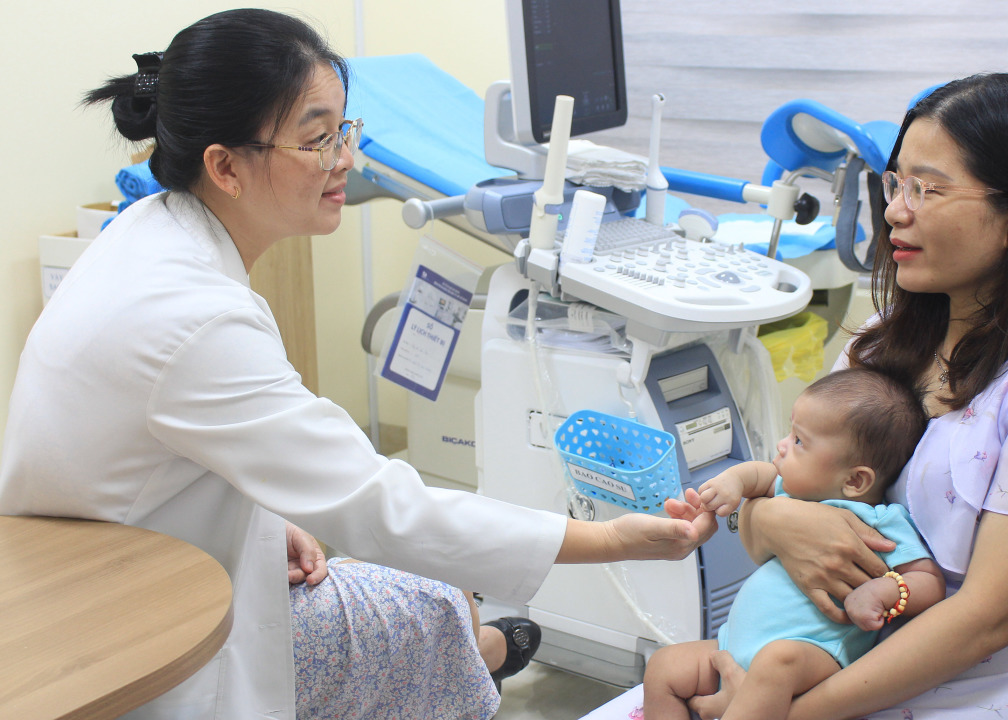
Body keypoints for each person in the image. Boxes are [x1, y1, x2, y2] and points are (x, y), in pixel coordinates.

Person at [0, 10, 715, 720]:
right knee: (436, 607)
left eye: (344, 130)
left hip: (122, 574)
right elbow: (381, 505)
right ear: (225, 167)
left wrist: (261, 513)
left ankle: (490, 646)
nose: (345, 158)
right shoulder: (196, 316)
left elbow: (146, 454)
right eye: (316, 140)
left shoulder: (147, 234)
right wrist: (606, 539)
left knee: (439, 606)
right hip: (142, 638)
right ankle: (489, 650)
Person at [676, 72, 1008, 720]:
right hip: (826, 662)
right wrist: (768, 518)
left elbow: (986, 620)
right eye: (895, 183)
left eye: (928, 189)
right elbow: (787, 500)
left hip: (963, 697)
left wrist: (787, 710)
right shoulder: (886, 342)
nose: (895, 211)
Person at [644, 368, 944, 720]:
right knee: (664, 665)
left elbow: (930, 582)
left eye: (799, 441)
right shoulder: (794, 491)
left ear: (855, 480)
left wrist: (884, 592)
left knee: (776, 662)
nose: (782, 445)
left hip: (810, 656)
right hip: (733, 645)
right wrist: (731, 483)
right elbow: (760, 475)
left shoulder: (880, 522)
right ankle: (736, 702)